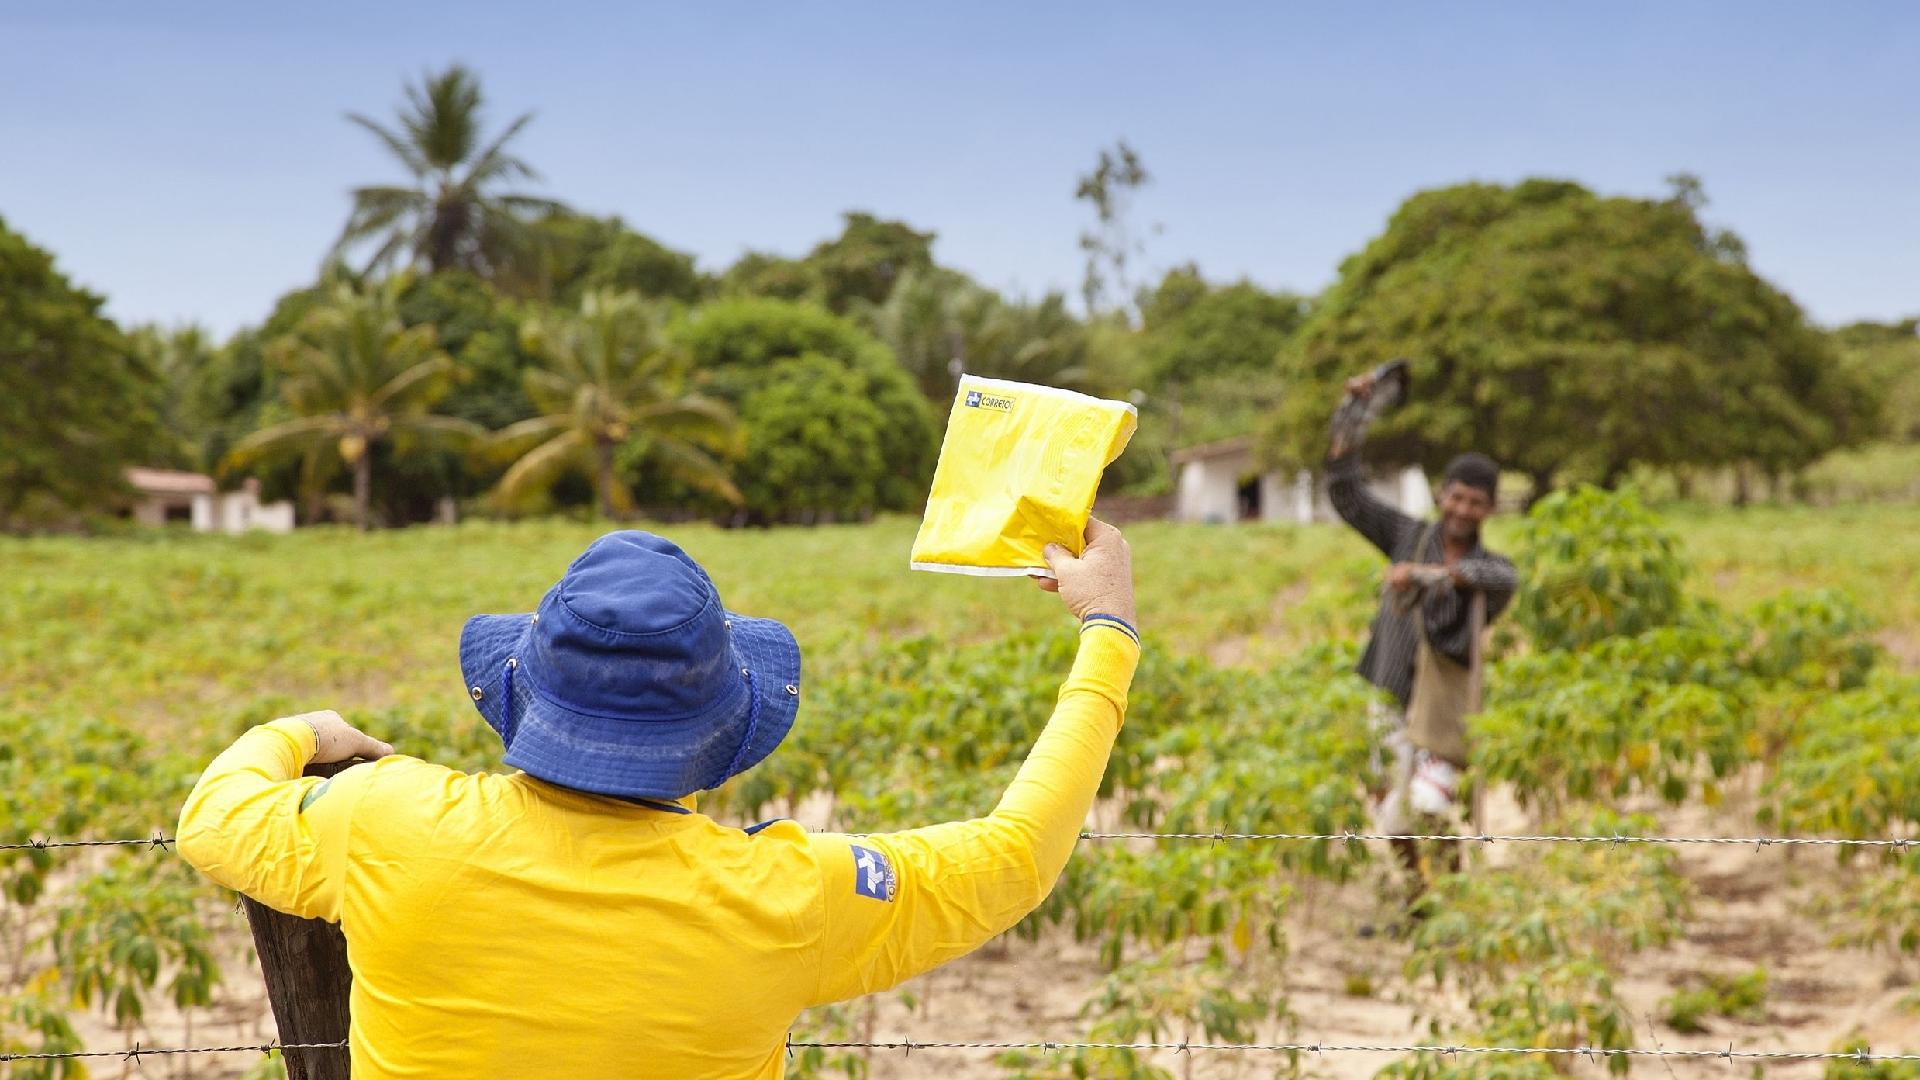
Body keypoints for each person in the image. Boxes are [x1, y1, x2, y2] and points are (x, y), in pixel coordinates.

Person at [176, 523, 1140, 1079]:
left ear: (521, 693)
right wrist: (1107, 629)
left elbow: (212, 819)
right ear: (723, 735)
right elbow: (1017, 854)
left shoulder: (383, 820)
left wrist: (306, 731)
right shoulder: (786, 897)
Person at [1326, 371, 1516, 893]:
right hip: (1388, 691)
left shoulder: (1491, 568)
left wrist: (1429, 578)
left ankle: (1451, 893)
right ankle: (1418, 900)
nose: (1462, 511)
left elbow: (1500, 578)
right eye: (1456, 498)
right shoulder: (1406, 535)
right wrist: (1351, 417)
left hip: (1443, 709)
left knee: (1430, 805)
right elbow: (1345, 494)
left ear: (1490, 509)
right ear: (1441, 495)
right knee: (1392, 813)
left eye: (1475, 503)